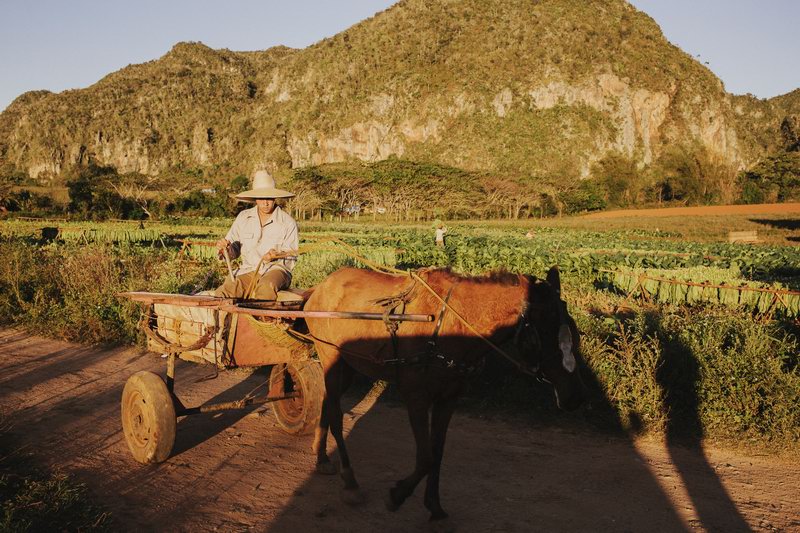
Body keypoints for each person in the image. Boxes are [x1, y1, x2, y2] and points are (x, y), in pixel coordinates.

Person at [214, 170, 298, 300]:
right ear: (255, 199)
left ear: (274, 198)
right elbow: (233, 250)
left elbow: (291, 257)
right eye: (261, 198)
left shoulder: (287, 222)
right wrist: (226, 248)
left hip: (275, 271)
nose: (265, 203)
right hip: (248, 270)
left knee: (265, 288)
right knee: (225, 291)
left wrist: (277, 256)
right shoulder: (243, 217)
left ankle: (264, 320)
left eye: (269, 198)